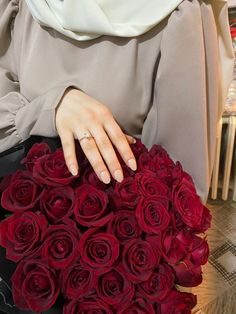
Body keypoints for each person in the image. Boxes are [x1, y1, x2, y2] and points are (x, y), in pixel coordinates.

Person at [0, 0, 233, 313]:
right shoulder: (26, 4)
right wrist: (54, 106)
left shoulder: (178, 13)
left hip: (109, 287)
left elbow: (177, 193)